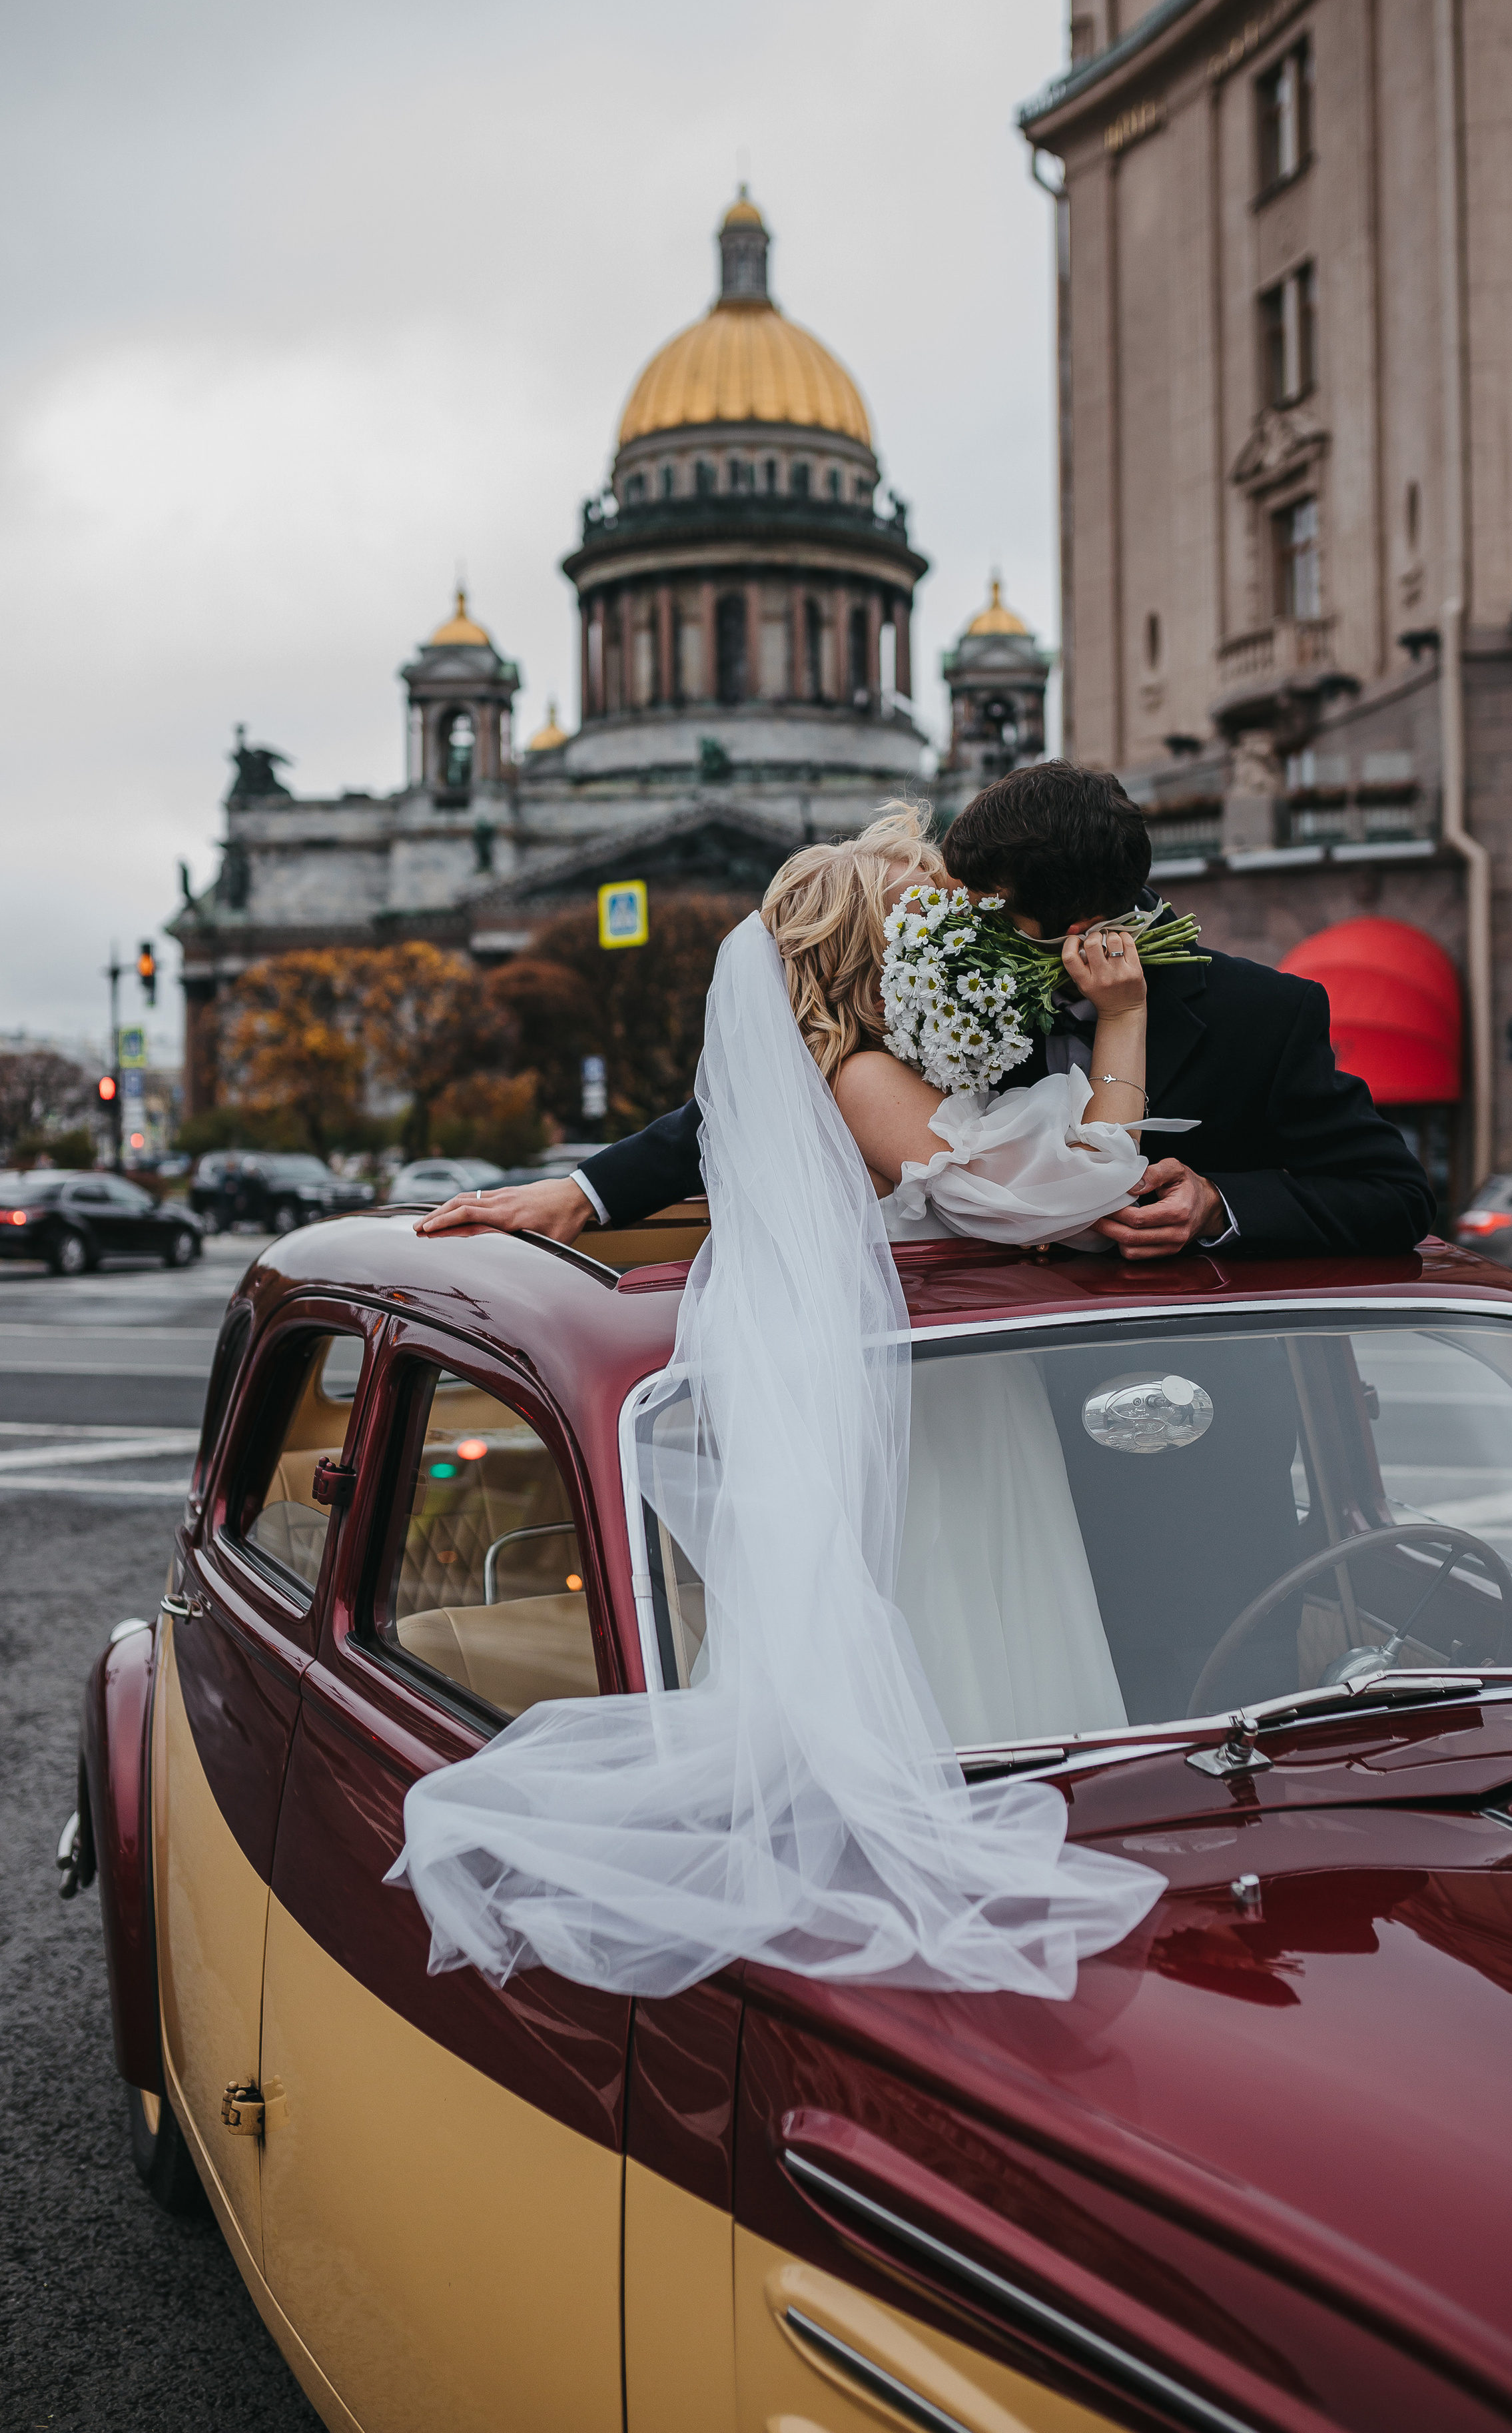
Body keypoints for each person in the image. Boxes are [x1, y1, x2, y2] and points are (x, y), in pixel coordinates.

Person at [391, 810, 1172, 2001]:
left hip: (957, 1401)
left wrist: (582, 1190)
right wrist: (1123, 1017)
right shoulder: (861, 1077)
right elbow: (1072, 1187)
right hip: (936, 1425)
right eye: (930, 917)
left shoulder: (861, 1073)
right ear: (879, 953)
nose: (962, 930)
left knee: (992, 1622)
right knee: (966, 1620)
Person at [418, 762, 1432, 1262]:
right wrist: (585, 1193)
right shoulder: (941, 989)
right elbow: (783, 1088)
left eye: (989, 913)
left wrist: (1221, 1206)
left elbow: (1390, 1196)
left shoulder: (1266, 1014)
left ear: (1079, 924)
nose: (955, 932)